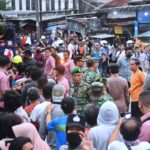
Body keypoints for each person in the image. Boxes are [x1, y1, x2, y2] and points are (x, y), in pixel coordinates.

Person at [39, 83, 64, 149]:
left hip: (51, 146)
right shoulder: (68, 109)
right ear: (64, 95)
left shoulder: (48, 108)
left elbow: (42, 131)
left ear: (52, 95)